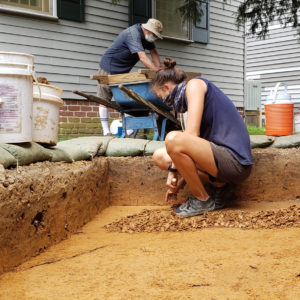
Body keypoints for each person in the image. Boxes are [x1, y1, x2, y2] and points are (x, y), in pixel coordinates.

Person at [152, 58, 253, 217]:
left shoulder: (195, 85)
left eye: (162, 96)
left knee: (172, 139)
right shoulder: (186, 105)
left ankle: (202, 199)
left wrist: (173, 171)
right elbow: (191, 154)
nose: (166, 102)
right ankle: (221, 187)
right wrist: (179, 183)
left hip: (234, 161)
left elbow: (191, 136)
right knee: (160, 156)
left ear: (167, 87)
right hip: (217, 163)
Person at [97, 18, 163, 136]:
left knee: (127, 100)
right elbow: (142, 57)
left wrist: (158, 68)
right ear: (147, 30)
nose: (155, 38)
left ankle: (127, 130)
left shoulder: (147, 37)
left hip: (123, 71)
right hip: (109, 66)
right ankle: (105, 131)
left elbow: (154, 53)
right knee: (104, 99)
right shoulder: (133, 33)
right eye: (154, 35)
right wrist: (156, 73)